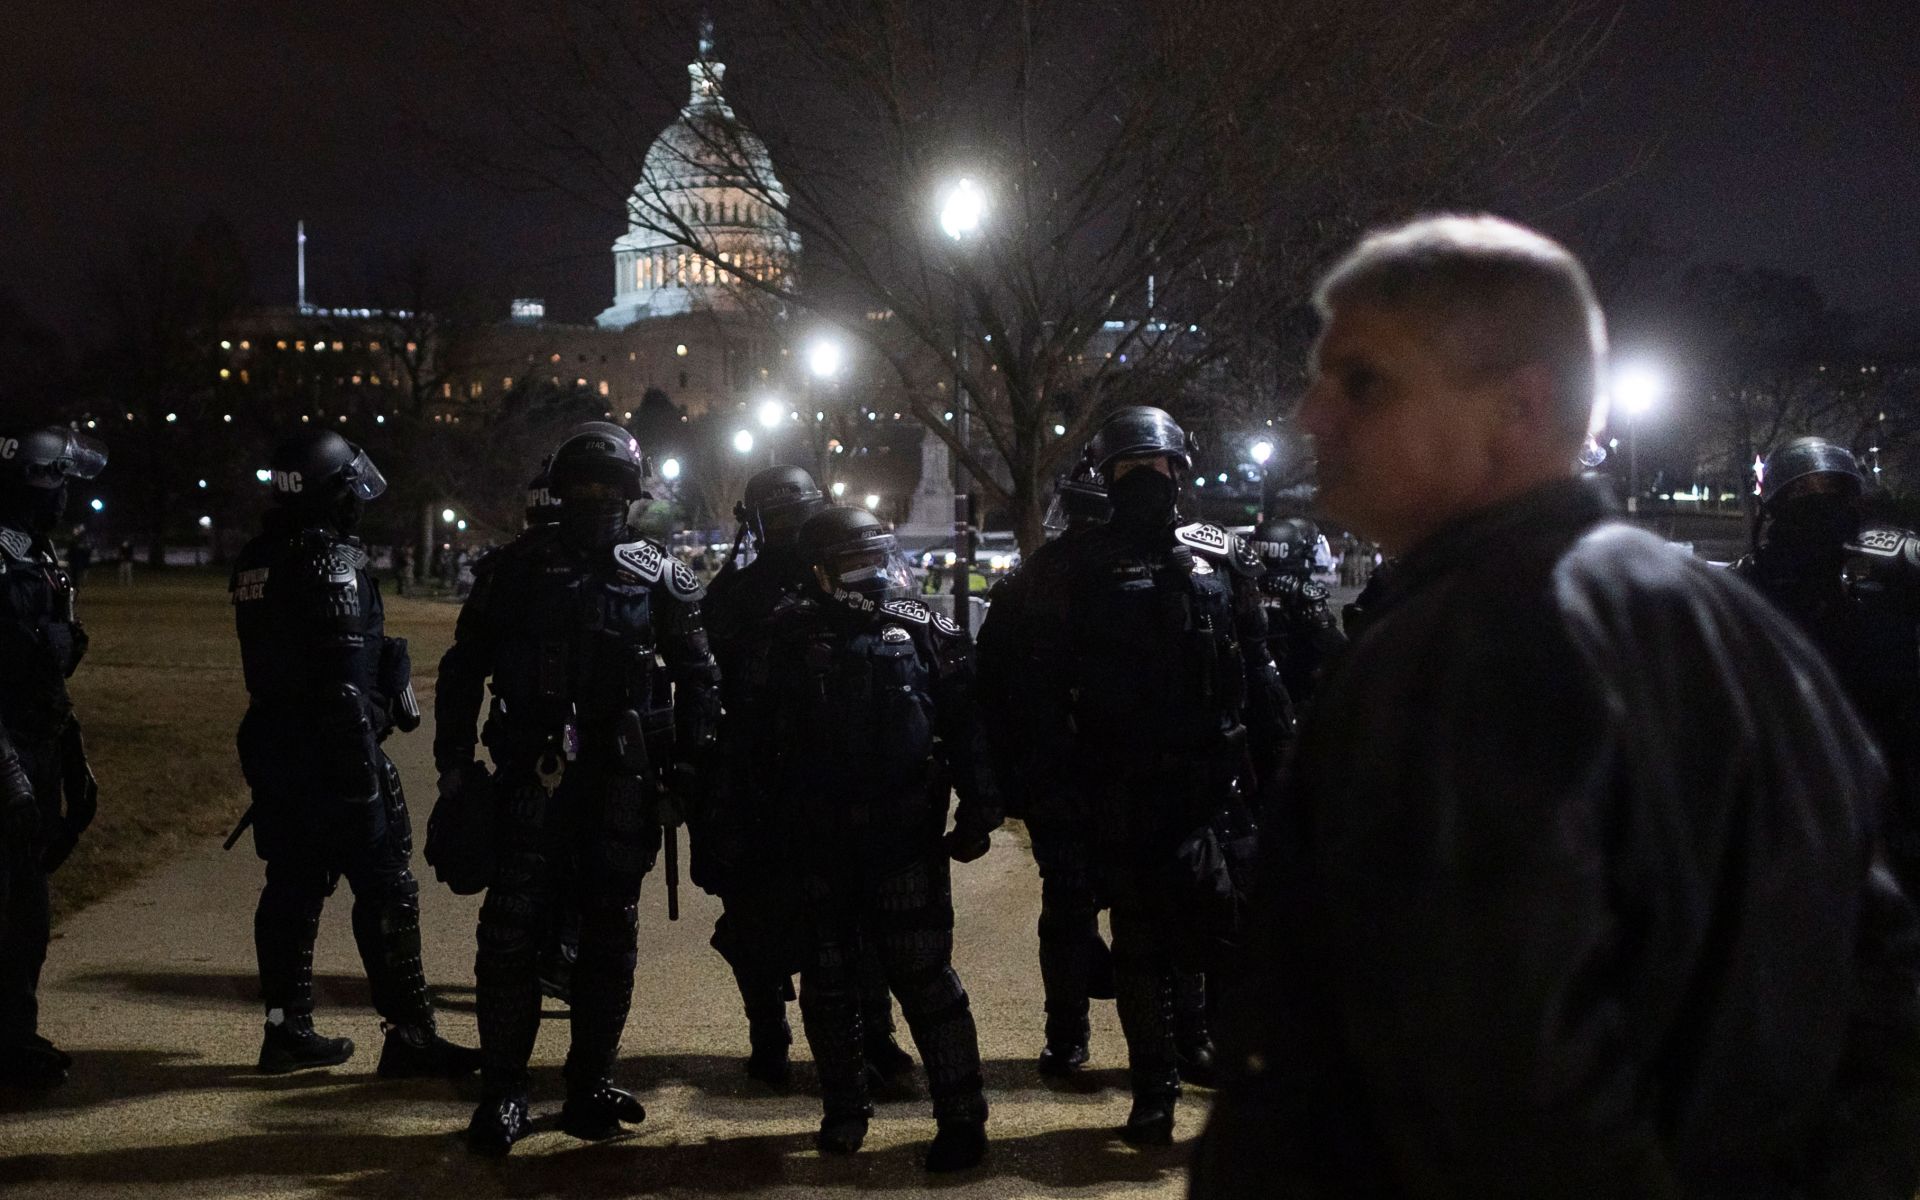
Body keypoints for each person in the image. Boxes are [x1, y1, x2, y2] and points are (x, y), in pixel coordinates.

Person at [1192, 215, 1920, 1197]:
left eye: (1364, 381)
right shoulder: (1745, 630)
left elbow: (1499, 1080)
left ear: (1519, 410)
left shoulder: (1468, 654)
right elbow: (1878, 984)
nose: (1314, 412)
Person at [975, 406, 1288, 1146]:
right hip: (1121, 785)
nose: (1149, 481)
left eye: (1158, 467)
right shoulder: (1068, 570)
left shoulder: (1218, 560)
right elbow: (1028, 691)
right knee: (1143, 945)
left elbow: (1261, 674)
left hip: (1218, 787)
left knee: (1227, 937)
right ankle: (1155, 1089)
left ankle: (1216, 1055)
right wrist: (1045, 790)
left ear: (1181, 471)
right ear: (1107, 478)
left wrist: (1285, 770)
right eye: (1131, 469)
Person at [434, 423, 721, 1155]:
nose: (596, 498)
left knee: (609, 937)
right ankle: (503, 1089)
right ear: (560, 492)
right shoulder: (514, 568)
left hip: (621, 783)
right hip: (533, 776)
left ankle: (589, 1081)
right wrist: (455, 765)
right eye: (583, 486)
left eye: (609, 486)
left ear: (630, 494)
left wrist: (691, 765)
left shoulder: (659, 572)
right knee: (509, 936)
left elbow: (698, 676)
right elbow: (464, 669)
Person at [748, 504, 999, 1171]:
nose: (869, 575)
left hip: (902, 837)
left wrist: (980, 809)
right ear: (820, 570)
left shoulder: (927, 633)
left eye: (874, 558)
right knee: (829, 983)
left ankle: (963, 1115)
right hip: (818, 838)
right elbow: (752, 742)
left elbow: (970, 728)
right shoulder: (785, 636)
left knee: (925, 978)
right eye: (852, 562)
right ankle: (844, 1109)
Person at [230, 430, 479, 1079]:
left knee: (292, 884)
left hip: (279, 749)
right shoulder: (329, 561)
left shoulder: (260, 558)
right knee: (387, 886)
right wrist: (365, 773)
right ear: (329, 493)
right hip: (334, 755)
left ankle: (286, 1028)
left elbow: (291, 664)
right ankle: (411, 1035)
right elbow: (338, 689)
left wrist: (377, 669)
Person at [697, 465, 912, 1089]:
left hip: (832, 769)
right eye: (781, 521)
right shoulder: (734, 596)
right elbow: (703, 680)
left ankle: (875, 1035)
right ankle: (769, 1037)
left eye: (801, 519)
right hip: (753, 775)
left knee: (857, 913)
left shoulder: (837, 576)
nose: (792, 532)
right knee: (752, 913)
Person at [1734, 437, 1920, 897]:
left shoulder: (1884, 588)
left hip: (1888, 822)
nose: (1821, 505)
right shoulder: (1742, 594)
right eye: (1804, 494)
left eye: (1834, 492)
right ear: (1775, 508)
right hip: (1780, 835)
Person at [0, 425, 106, 1089]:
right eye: (55, 479)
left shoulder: (34, 553)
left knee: (27, 910)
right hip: (6, 751)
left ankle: (15, 1035)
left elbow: (47, 667)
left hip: (36, 743)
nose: (65, 493)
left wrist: (71, 762)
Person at [1245, 517, 1348, 713]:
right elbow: (1337, 650)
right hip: (1293, 700)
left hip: (1246, 699)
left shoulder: (1239, 588)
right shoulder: (1301, 595)